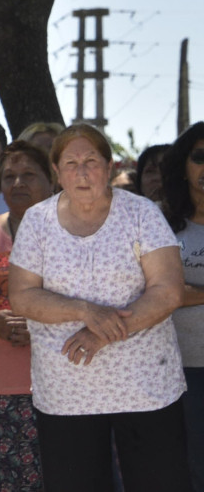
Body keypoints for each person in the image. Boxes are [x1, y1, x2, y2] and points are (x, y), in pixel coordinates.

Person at [8, 123, 188, 492]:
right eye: (70, 163)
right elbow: (23, 295)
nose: (82, 171)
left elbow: (168, 291)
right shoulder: (37, 222)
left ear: (109, 167)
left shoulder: (142, 214)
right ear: (56, 172)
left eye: (91, 160)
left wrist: (102, 333)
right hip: (66, 392)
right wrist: (86, 311)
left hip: (145, 388)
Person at [0, 140, 53, 492]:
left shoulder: (73, 233)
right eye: (9, 176)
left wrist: (44, 325)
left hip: (62, 380)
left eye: (28, 175)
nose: (17, 183)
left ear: (51, 181)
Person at [161, 122, 204, 491]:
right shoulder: (161, 222)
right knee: (189, 470)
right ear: (183, 165)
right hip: (177, 370)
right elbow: (163, 292)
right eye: (199, 158)